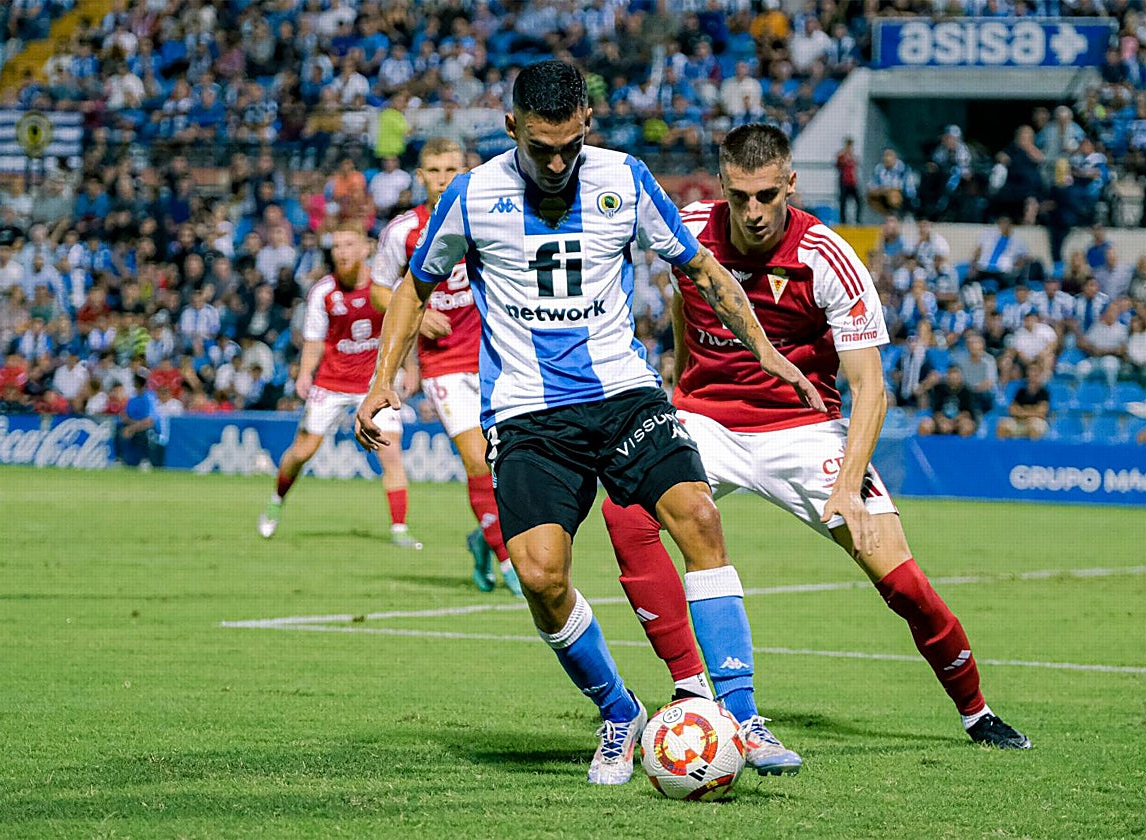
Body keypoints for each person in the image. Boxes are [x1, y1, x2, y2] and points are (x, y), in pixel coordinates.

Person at [355, 62, 824, 785]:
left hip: (623, 396)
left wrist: (767, 352)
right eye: (540, 147)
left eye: (569, 146)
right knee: (542, 577)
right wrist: (380, 381)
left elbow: (700, 269)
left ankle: (741, 715)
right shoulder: (472, 195)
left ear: (587, 130)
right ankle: (617, 711)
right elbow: (414, 289)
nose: (555, 162)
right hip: (527, 413)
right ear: (511, 128)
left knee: (697, 517)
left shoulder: (624, 179)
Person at [598, 123, 1030, 750]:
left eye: (768, 195)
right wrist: (679, 386)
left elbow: (871, 388)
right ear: (721, 186)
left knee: (902, 581)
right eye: (741, 195)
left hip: (805, 429)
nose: (753, 211)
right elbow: (683, 307)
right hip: (704, 419)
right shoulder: (685, 226)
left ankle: (976, 712)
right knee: (624, 513)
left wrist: (849, 487)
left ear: (791, 185)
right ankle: (693, 686)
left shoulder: (826, 256)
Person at [371, 137, 522, 596]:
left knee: (512, 465)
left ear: (466, 169)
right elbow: (380, 289)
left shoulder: (487, 215)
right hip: (446, 366)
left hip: (500, 354)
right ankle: (509, 563)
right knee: (477, 461)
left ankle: (484, 536)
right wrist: (418, 317)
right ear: (420, 177)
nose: (443, 179)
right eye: (434, 171)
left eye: (452, 170)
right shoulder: (403, 231)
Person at [258, 221, 422, 549]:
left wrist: (410, 367)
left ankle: (399, 528)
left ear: (365, 249)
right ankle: (276, 499)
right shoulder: (323, 291)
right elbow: (314, 340)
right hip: (331, 383)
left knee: (390, 454)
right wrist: (305, 374)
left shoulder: (384, 287)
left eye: (349, 245)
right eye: (336, 246)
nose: (342, 252)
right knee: (302, 452)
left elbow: (404, 326)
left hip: (375, 383)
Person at [117, 372, 168, 469]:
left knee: (145, 433)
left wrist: (132, 428)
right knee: (119, 429)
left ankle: (145, 459)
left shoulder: (150, 398)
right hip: (135, 426)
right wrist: (132, 426)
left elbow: (150, 420)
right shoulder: (133, 398)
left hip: (146, 428)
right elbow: (125, 415)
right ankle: (122, 459)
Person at [997, 362, 1051, 440]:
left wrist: (1022, 411)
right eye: (1031, 371)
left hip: (1037, 422)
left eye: (1035, 371)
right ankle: (1003, 451)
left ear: (1040, 373)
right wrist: (1031, 410)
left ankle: (1032, 451)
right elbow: (1012, 410)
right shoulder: (1021, 392)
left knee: (1033, 425)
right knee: (1002, 425)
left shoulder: (1044, 392)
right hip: (1020, 421)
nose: (1033, 374)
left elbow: (1041, 413)